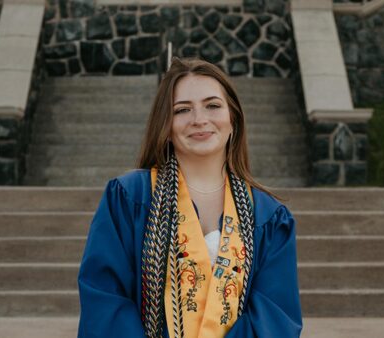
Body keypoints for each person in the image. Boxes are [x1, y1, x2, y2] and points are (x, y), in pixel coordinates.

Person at [77, 57, 302, 338]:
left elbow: (274, 315)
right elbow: (105, 299)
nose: (199, 119)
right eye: (182, 110)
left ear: (233, 119)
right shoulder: (129, 198)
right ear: (166, 126)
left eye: (213, 106)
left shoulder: (268, 217)